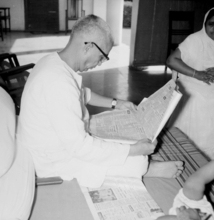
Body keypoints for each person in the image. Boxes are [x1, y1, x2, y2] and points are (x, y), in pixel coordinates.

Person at [17, 14, 183, 188]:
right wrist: (134, 150)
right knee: (138, 160)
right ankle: (147, 169)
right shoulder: (58, 82)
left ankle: (139, 162)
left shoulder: (53, 61)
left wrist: (117, 103)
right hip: (51, 160)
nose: (101, 62)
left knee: (126, 142)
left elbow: (82, 93)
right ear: (88, 46)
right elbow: (80, 147)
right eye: (103, 55)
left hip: (58, 142)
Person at [166, 8, 214, 159]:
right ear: (205, 24)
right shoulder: (194, 40)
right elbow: (171, 61)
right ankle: (195, 153)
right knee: (200, 101)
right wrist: (198, 74)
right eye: (212, 24)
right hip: (191, 81)